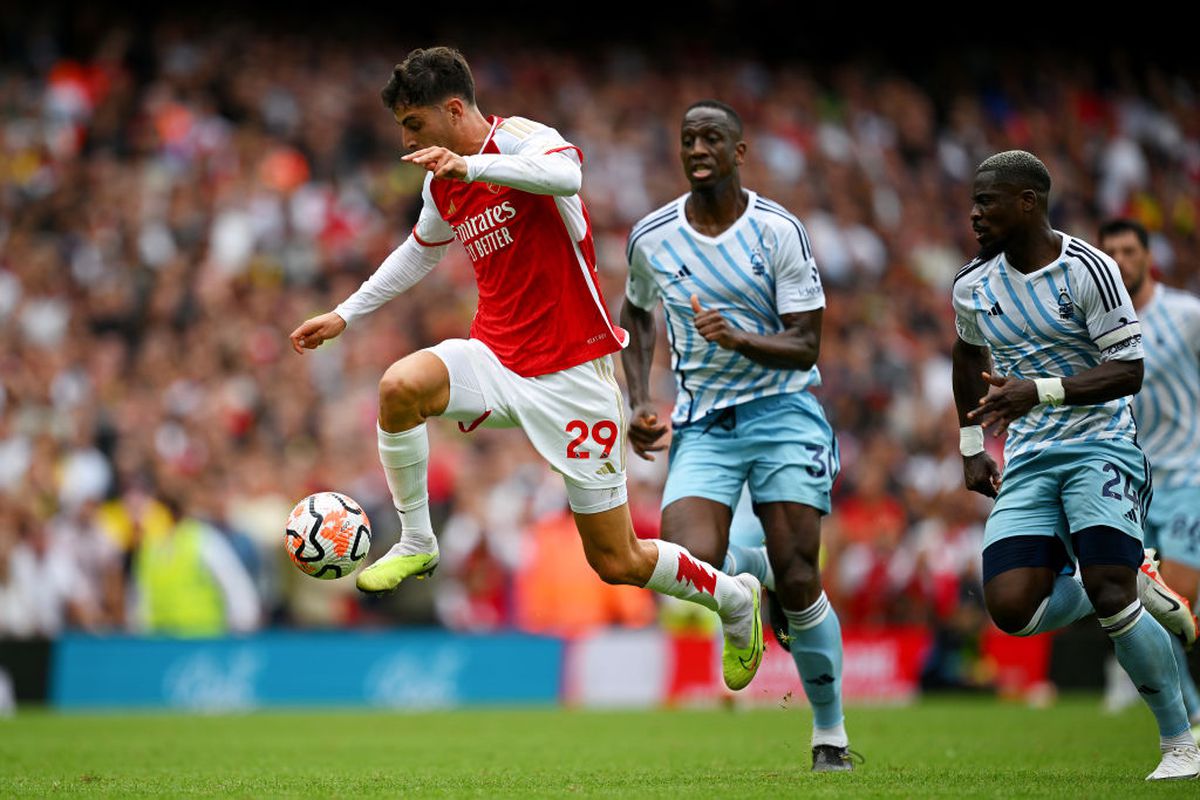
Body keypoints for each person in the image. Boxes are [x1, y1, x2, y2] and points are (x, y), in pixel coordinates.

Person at [289, 48, 763, 690]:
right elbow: (418, 253)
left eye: (414, 124)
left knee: (616, 559)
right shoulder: (441, 181)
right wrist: (346, 314)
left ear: (454, 109)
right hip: (496, 355)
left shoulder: (523, 138)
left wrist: (473, 162)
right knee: (400, 387)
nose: (406, 140)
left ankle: (733, 599)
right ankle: (418, 540)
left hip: (576, 372)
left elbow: (566, 178)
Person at [951, 150, 1200, 780]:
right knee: (1010, 609)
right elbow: (966, 355)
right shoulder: (972, 284)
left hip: (1101, 446)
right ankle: (1122, 575)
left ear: (1029, 202)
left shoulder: (1089, 269)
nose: (975, 214)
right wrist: (972, 446)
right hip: (1030, 458)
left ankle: (1181, 742)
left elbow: (1129, 371)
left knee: (1111, 594)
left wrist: (1039, 390)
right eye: (974, 202)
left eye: (989, 201)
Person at [621, 101, 852, 771]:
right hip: (705, 422)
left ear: (738, 151)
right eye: (687, 138)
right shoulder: (653, 236)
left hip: (783, 412)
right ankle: (745, 587)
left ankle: (830, 735)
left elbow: (807, 345)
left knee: (802, 573)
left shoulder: (777, 230)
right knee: (685, 556)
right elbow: (635, 317)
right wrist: (639, 399)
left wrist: (737, 337)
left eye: (711, 138)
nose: (697, 148)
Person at [1100, 218, 1200, 734]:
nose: (1119, 259)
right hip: (1131, 485)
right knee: (1145, 603)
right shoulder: (1097, 326)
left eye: (1128, 249)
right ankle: (1191, 715)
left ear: (1147, 255)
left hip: (1188, 476)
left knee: (1176, 597)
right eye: (1109, 250)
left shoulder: (1185, 314)